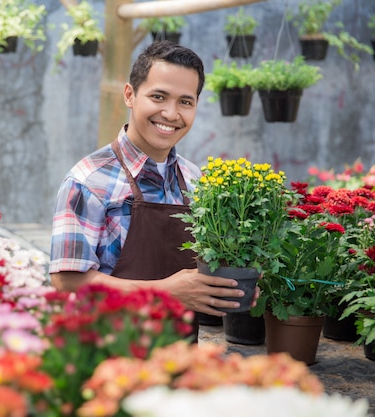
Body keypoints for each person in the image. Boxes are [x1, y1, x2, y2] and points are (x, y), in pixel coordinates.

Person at [49, 40, 258, 318]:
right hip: (107, 350)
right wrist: (164, 292)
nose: (171, 114)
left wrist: (232, 285)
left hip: (180, 351)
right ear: (130, 95)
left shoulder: (194, 179)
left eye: (185, 102)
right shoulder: (88, 180)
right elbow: (66, 281)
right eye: (158, 97)